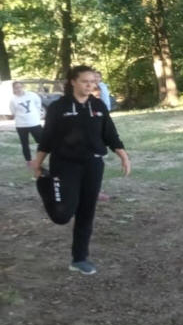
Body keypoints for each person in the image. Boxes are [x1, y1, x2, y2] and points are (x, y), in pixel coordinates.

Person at [31, 65, 131, 275]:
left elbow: (110, 134)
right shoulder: (58, 107)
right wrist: (37, 163)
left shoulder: (98, 105)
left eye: (93, 82)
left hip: (93, 165)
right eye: (85, 81)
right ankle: (45, 184)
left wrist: (123, 155)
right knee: (62, 215)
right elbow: (47, 138)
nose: (90, 85)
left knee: (86, 212)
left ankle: (79, 259)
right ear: (73, 82)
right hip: (65, 165)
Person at [10, 81, 43, 168]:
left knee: (42, 141)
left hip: (34, 123)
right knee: (25, 143)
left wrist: (36, 115)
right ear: (14, 89)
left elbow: (38, 104)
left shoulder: (32, 95)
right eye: (16, 88)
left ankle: (39, 158)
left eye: (20, 87)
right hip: (21, 125)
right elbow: (13, 112)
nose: (18, 89)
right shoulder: (13, 100)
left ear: (23, 87)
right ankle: (28, 160)